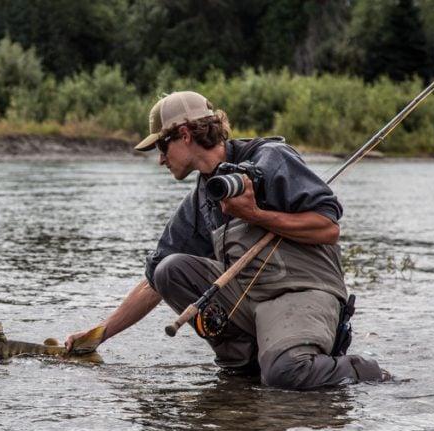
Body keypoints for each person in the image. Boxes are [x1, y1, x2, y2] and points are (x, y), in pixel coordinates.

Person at [65, 91, 388, 389]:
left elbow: (327, 228)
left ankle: (363, 369)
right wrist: (99, 334)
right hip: (253, 299)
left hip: (303, 290)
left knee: (287, 374)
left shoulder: (271, 157)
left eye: (162, 147)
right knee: (169, 268)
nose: (161, 159)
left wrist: (254, 214)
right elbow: (153, 283)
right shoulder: (202, 197)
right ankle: (245, 364)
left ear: (185, 134)